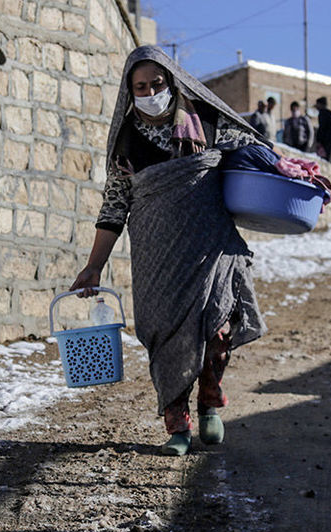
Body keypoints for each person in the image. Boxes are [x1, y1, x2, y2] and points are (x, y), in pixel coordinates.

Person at [70, 45, 270, 456]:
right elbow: (114, 207)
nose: (150, 93)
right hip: (157, 255)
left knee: (217, 329)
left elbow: (255, 152)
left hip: (210, 246)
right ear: (129, 91)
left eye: (157, 84)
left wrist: (290, 175)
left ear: (173, 83)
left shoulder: (208, 121)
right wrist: (94, 266)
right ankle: (177, 423)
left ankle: (209, 400)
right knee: (166, 336)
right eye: (140, 87)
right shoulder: (126, 141)